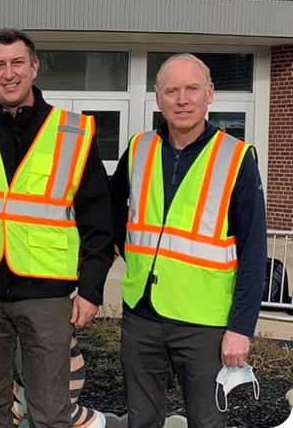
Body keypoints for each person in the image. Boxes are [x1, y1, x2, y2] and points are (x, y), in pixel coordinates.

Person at [0, 28, 115, 428]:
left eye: (17, 63)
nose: (9, 74)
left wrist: (91, 290)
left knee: (49, 408)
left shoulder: (73, 132)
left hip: (47, 294)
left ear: (34, 67)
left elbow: (99, 221)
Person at [110, 53, 267, 428]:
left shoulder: (236, 158)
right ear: (159, 98)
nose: (182, 99)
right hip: (142, 315)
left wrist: (241, 329)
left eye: (192, 89)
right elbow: (111, 212)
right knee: (141, 420)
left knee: (207, 422)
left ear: (209, 94)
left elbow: (254, 252)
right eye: (172, 90)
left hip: (205, 325)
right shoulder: (138, 149)